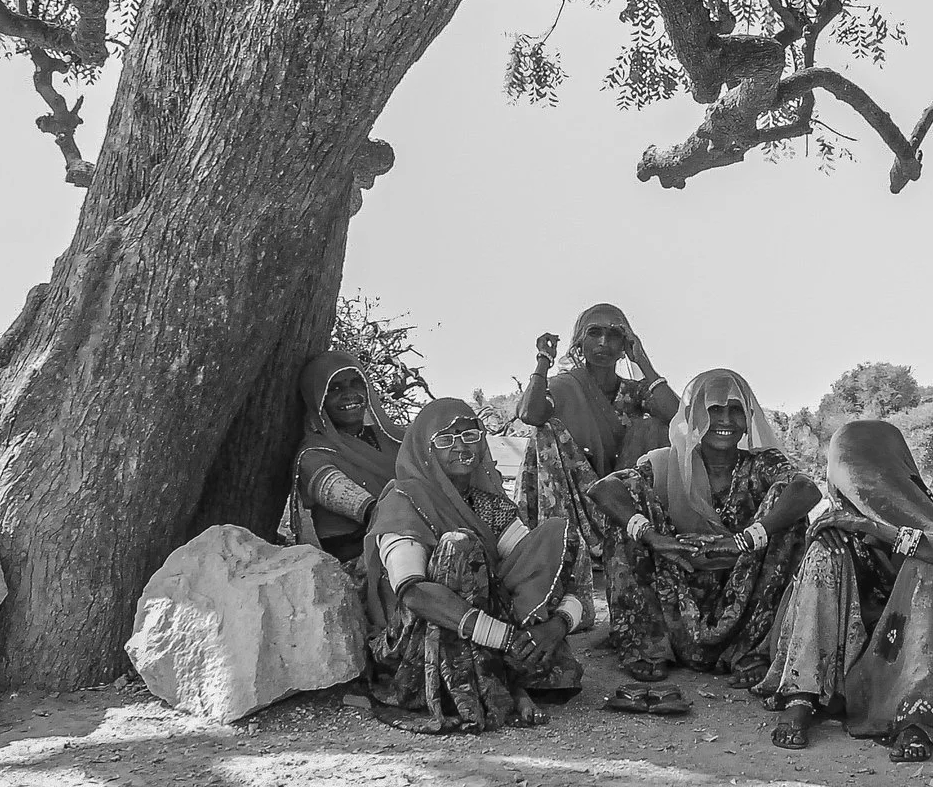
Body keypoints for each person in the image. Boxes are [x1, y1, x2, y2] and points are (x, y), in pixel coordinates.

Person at [363, 397, 586, 733]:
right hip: (423, 638)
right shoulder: (404, 501)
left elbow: (536, 572)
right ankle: (504, 686)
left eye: (470, 435)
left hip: (490, 630)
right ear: (424, 449)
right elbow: (413, 593)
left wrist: (553, 628)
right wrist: (507, 639)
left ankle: (512, 675)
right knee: (460, 545)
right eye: (446, 439)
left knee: (557, 535)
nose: (460, 447)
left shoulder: (490, 505)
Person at [756, 418, 933, 763]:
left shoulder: (923, 511)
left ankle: (914, 712)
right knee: (825, 552)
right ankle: (803, 695)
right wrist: (844, 531)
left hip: (905, 647)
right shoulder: (835, 521)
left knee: (926, 565)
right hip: (842, 651)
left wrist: (875, 528)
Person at [588, 368, 820, 685]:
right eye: (714, 410)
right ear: (694, 416)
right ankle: (645, 647)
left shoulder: (761, 465)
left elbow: (807, 490)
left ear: (748, 417)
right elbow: (603, 489)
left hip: (744, 598)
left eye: (735, 410)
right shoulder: (663, 463)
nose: (725, 420)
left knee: (789, 507)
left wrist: (743, 541)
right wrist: (654, 537)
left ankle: (753, 651)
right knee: (627, 518)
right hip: (677, 599)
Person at [518, 304, 680, 601]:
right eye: (594, 333)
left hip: (618, 498)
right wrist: (543, 362)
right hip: (575, 497)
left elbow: (680, 420)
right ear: (580, 340)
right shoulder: (566, 385)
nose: (603, 343)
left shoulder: (633, 392)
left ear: (624, 346)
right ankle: (559, 543)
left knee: (652, 426)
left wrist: (643, 361)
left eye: (614, 335)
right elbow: (530, 412)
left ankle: (631, 536)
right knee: (546, 429)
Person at [287, 351, 404, 566]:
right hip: (358, 553)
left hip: (409, 534)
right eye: (335, 388)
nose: (349, 394)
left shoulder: (394, 439)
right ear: (318, 400)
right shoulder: (312, 454)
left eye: (355, 383)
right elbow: (360, 505)